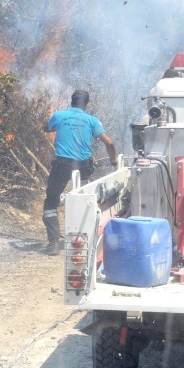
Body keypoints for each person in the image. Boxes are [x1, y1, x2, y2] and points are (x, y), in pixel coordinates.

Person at [42, 89, 119, 250]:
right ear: (86, 104)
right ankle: (85, 240)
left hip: (62, 165)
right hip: (83, 166)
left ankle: (54, 243)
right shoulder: (91, 120)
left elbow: (47, 128)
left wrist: (49, 125)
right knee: (84, 201)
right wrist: (113, 161)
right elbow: (109, 143)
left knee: (51, 201)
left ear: (71, 101)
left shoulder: (58, 116)